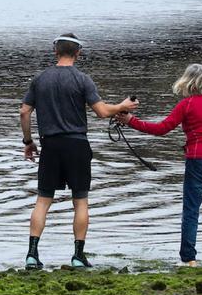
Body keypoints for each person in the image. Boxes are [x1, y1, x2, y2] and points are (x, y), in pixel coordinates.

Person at [20, 34, 138, 269]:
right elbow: (102, 112)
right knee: (80, 201)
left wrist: (28, 142)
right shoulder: (82, 79)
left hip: (50, 144)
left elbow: (24, 112)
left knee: (43, 200)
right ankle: (78, 256)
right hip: (76, 144)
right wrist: (123, 106)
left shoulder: (40, 79)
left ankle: (32, 255)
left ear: (55, 51)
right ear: (78, 53)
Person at [116, 63, 202, 267]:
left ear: (187, 81)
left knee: (191, 209)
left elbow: (162, 129)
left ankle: (189, 259)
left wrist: (131, 121)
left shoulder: (187, 104)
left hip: (199, 160)